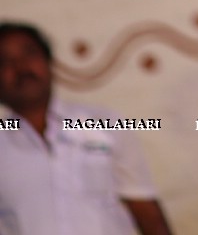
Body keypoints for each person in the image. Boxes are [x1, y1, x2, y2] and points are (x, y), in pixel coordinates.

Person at [0, 23, 174, 235]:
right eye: (4, 61)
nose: (21, 67)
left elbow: (146, 210)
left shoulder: (104, 123)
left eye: (29, 53)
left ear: (49, 63)